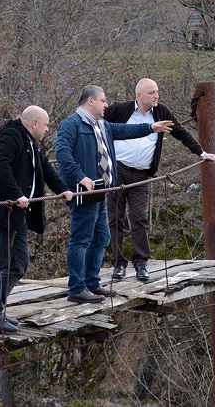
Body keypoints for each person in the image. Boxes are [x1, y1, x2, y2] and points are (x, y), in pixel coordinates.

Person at [55, 85, 173, 303]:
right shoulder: (71, 124)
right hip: (84, 191)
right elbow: (61, 153)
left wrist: (151, 128)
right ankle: (76, 288)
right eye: (103, 100)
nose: (107, 105)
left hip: (102, 189)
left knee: (102, 237)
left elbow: (124, 130)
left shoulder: (102, 124)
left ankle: (92, 283)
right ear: (91, 101)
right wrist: (80, 177)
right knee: (81, 239)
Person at [103, 78, 215, 282]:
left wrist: (201, 153)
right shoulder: (120, 109)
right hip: (117, 170)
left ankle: (141, 264)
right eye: (151, 92)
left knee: (139, 218)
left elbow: (181, 133)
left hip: (142, 174)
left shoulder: (161, 111)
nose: (156, 95)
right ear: (139, 95)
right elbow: (99, 126)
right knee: (115, 217)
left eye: (157, 91)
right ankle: (119, 263)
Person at [0, 105, 73, 332]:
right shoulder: (11, 136)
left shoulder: (32, 143)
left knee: (19, 263)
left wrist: (63, 190)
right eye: (47, 125)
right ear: (34, 124)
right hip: (4, 211)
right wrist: (16, 194)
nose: (49, 129)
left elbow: (45, 169)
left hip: (18, 214)